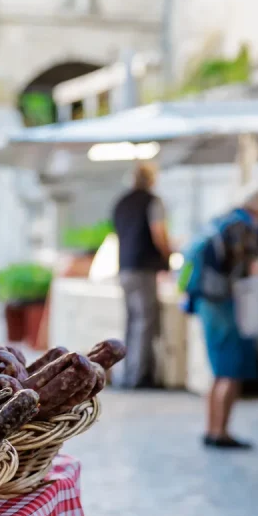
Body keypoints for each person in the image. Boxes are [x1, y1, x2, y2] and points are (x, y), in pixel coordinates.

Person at [191, 191, 258, 449]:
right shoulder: (243, 227)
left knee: (218, 371)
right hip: (224, 302)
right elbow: (251, 268)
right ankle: (221, 431)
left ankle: (212, 429)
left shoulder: (221, 221)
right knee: (230, 371)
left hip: (208, 301)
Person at [112, 162, 171, 389]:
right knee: (145, 321)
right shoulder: (152, 201)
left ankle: (128, 372)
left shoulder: (121, 202)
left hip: (124, 266)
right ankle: (139, 376)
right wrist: (167, 255)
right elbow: (159, 233)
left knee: (131, 320)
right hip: (143, 268)